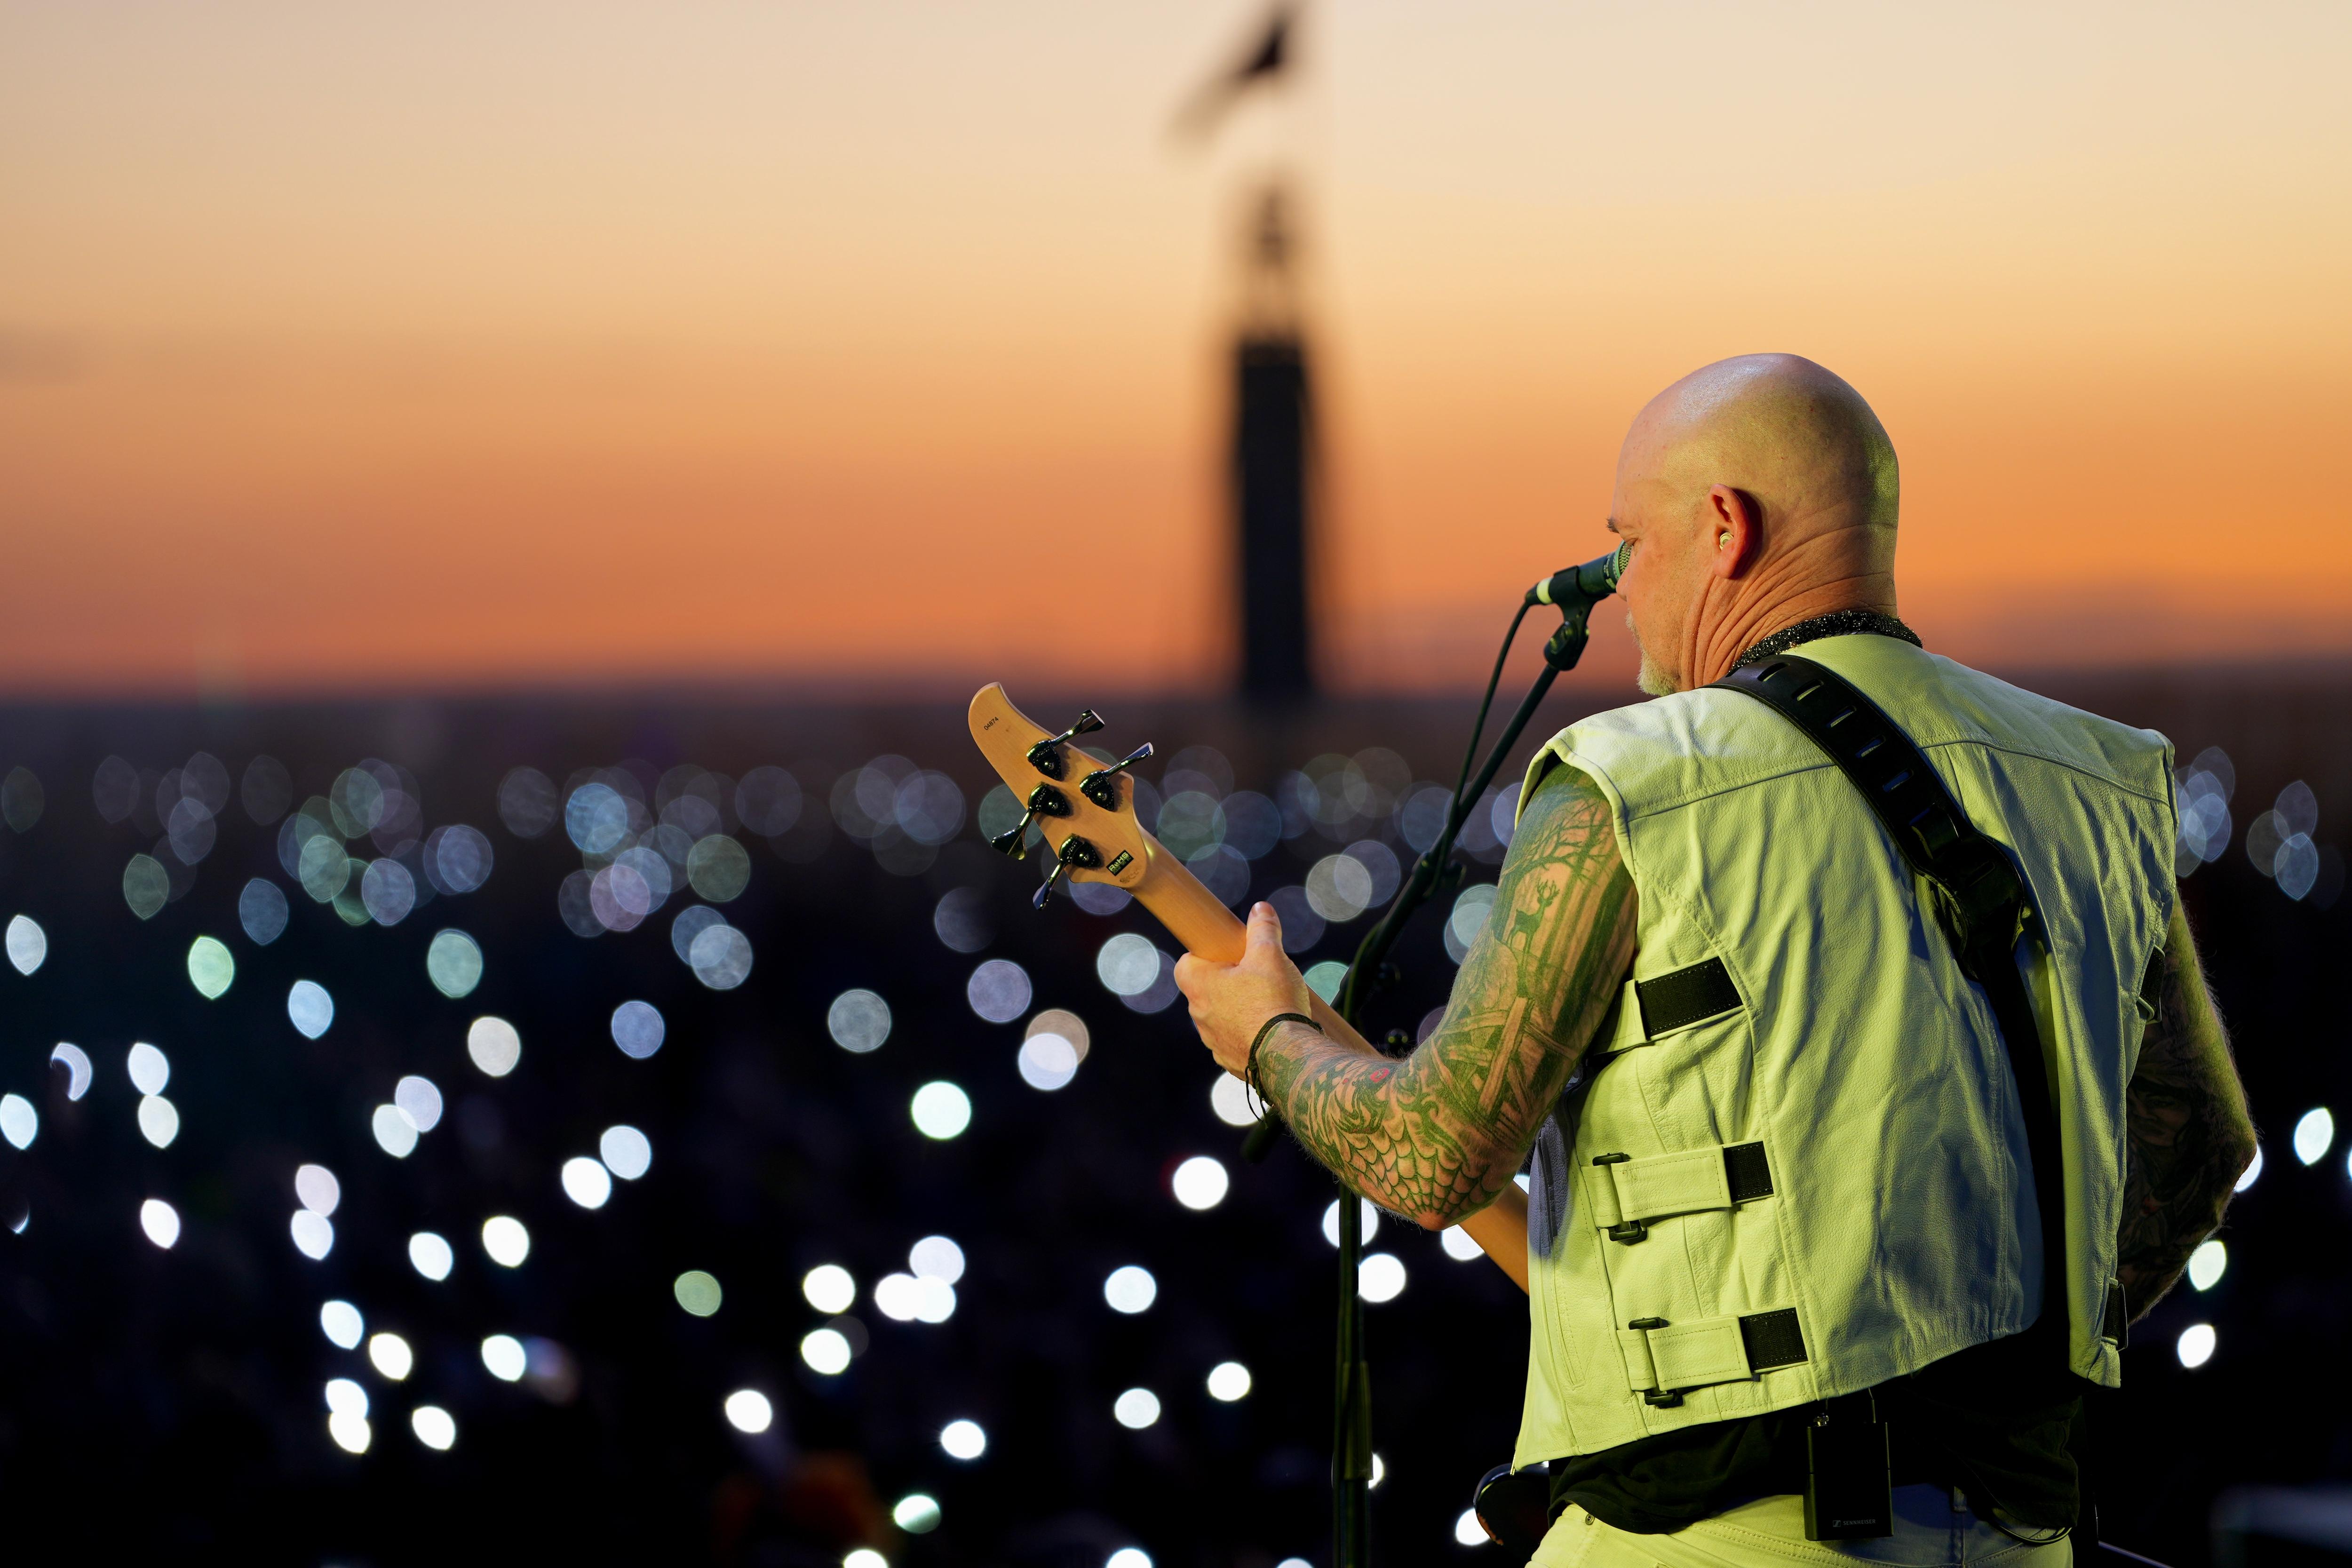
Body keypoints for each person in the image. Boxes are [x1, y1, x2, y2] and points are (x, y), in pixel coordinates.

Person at [1173, 354, 2257, 1566]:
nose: (1615, 587)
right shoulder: (2100, 777)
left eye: (1625, 542)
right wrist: (1989, 1368)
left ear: (1725, 528)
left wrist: (1268, 1036)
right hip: (2025, 1530)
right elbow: (2201, 1146)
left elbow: (1432, 1154)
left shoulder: (1635, 778)